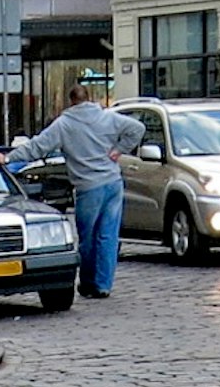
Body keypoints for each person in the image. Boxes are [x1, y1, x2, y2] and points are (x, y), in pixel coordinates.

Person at [10, 71, 141, 298]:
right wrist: (119, 150)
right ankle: (103, 285)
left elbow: (37, 147)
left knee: (87, 237)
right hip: (112, 182)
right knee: (108, 235)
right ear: (89, 98)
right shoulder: (108, 117)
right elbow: (137, 129)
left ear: (70, 101)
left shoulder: (64, 124)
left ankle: (88, 282)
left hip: (88, 187)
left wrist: (9, 158)